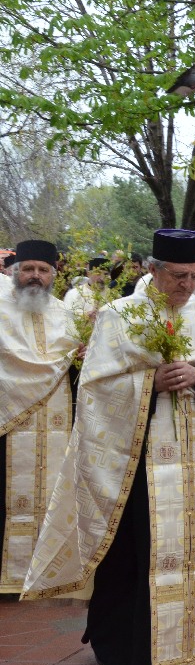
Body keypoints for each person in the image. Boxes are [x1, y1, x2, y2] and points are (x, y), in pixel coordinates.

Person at [24, 229, 195, 665]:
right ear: (153, 270)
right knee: (138, 557)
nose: (188, 285)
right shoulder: (119, 315)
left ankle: (193, 657)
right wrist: (150, 383)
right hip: (138, 465)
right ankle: (131, 653)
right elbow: (94, 390)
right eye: (178, 276)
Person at [0, 240, 80, 595]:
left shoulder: (67, 315)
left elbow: (78, 372)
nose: (35, 276)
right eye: (28, 268)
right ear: (15, 272)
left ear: (53, 275)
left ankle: (43, 574)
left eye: (42, 270)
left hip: (57, 424)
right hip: (8, 422)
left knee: (53, 496)